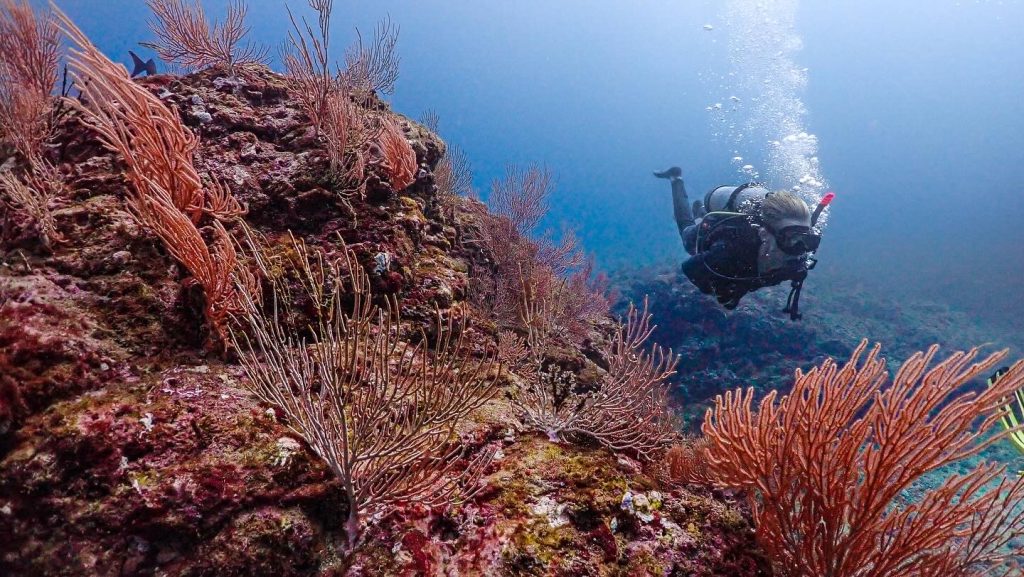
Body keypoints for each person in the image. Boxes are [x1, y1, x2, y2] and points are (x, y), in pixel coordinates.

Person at [654, 166, 829, 319]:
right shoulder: (729, 251)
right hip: (717, 230)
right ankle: (676, 179)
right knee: (687, 237)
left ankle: (700, 210)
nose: (799, 249)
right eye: (790, 238)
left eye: (807, 240)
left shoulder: (799, 258)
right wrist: (726, 288)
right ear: (764, 234)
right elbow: (690, 268)